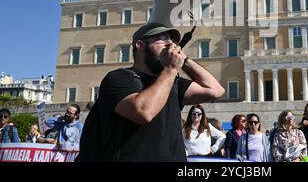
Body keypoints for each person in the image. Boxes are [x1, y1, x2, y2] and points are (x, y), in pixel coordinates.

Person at [78, 22, 225, 162]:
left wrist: (184, 60)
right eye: (163, 39)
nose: (171, 44)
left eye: (173, 41)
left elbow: (215, 90)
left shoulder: (173, 83)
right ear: (140, 45)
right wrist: (171, 69)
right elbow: (144, 112)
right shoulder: (119, 78)